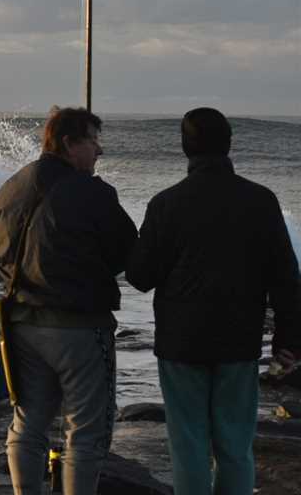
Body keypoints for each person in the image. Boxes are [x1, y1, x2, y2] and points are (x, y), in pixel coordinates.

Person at [126, 107, 301, 495]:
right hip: (238, 342)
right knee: (235, 447)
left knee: (188, 446)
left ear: (185, 148)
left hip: (181, 343)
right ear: (229, 144)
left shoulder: (166, 204)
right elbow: (287, 278)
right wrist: (288, 340)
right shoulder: (261, 201)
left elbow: (140, 278)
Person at [0, 106, 137, 495]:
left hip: (20, 323)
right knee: (87, 428)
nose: (99, 151)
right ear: (70, 144)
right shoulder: (93, 192)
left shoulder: (12, 185)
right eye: (93, 141)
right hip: (80, 328)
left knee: (28, 421)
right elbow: (126, 252)